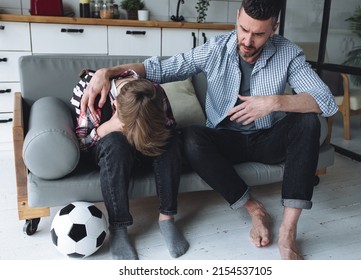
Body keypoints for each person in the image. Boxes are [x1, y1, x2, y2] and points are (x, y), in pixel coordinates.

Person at [80, 0, 338, 260]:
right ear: (237, 17)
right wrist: (108, 71)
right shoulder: (216, 49)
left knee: (308, 121)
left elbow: (325, 101)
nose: (248, 40)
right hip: (226, 141)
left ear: (274, 28)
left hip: (268, 139)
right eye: (243, 29)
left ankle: (287, 231)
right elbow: (162, 69)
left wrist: (275, 102)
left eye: (259, 34)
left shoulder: (288, 53)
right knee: (191, 138)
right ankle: (254, 208)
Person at [70, 68, 189, 260]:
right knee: (116, 142)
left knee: (172, 138)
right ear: (115, 106)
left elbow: (169, 126)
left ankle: (167, 218)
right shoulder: (88, 92)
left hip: (145, 150)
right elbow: (80, 147)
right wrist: (105, 129)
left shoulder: (155, 93)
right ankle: (118, 227)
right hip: (108, 152)